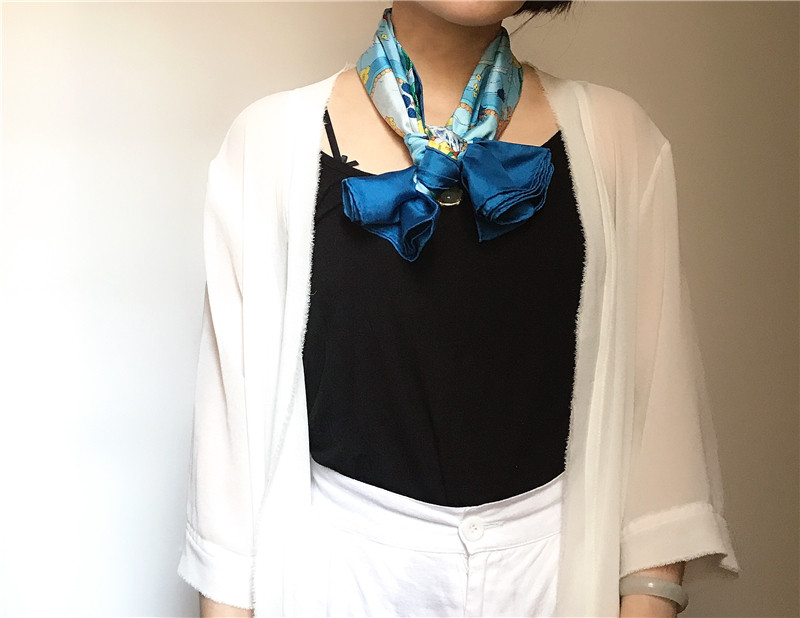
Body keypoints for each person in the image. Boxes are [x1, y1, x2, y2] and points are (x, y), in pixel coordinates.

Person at [178, 2, 739, 616]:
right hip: (337, 581)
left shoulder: (618, 139)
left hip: (560, 581)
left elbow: (659, 421)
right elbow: (229, 463)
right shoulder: (265, 145)